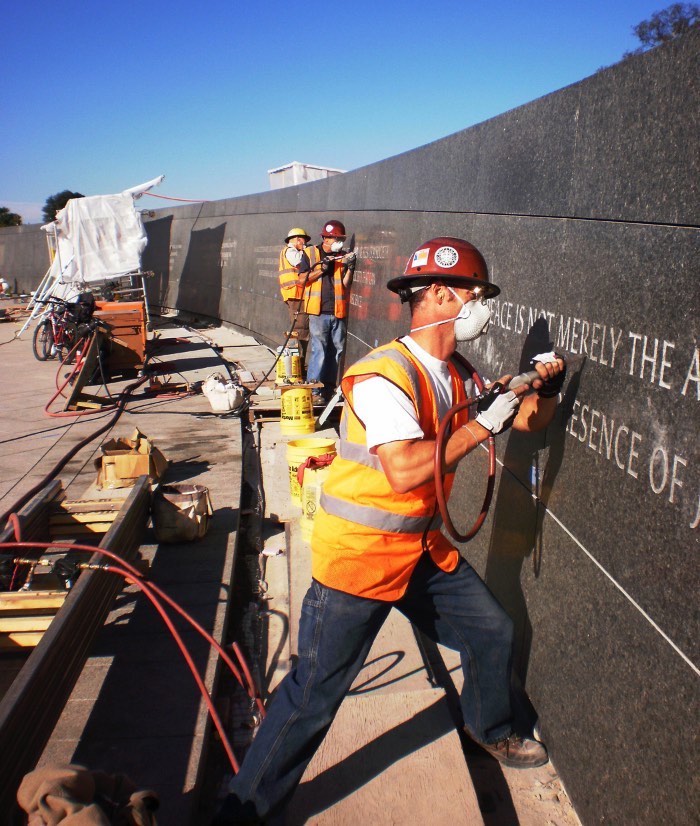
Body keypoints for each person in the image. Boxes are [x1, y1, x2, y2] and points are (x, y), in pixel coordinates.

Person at [214, 237, 566, 824]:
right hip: (360, 560)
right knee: (314, 695)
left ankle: (494, 729)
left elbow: (525, 422)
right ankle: (244, 807)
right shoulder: (382, 375)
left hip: (420, 551)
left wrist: (542, 393)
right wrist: (484, 423)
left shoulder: (456, 370)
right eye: (474, 294)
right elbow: (404, 469)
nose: (481, 306)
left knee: (492, 632)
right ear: (435, 295)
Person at [304, 219, 356, 402]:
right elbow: (302, 278)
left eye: (341, 239)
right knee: (320, 350)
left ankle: (327, 389)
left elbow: (345, 285)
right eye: (337, 238)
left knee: (337, 351)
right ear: (326, 239)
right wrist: (322, 269)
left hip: (337, 311)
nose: (339, 242)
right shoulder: (310, 253)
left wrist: (350, 269)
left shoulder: (342, 256)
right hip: (318, 312)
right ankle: (313, 389)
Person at [277, 228, 320, 365]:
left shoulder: (289, 251)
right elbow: (302, 264)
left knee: (299, 329)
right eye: (304, 240)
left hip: (296, 294)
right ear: (296, 239)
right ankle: (297, 366)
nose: (305, 243)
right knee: (300, 329)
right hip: (296, 294)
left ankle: (295, 364)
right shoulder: (291, 252)